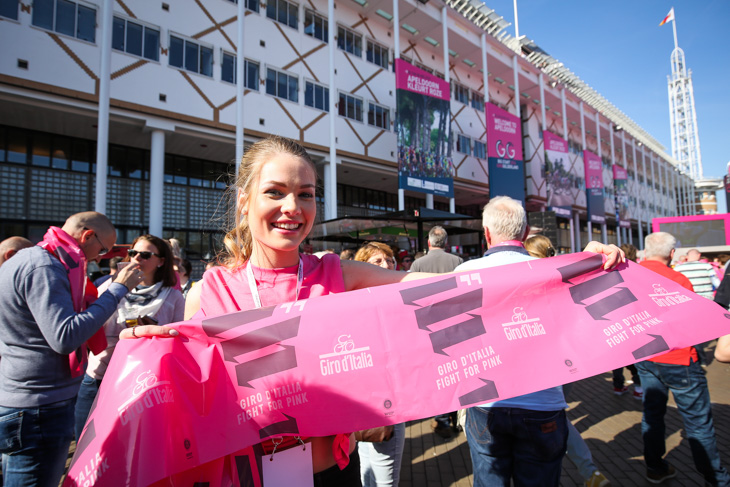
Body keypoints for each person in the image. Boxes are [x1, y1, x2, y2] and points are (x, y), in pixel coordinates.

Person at [121, 136, 624, 484]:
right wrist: (151, 351)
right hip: (247, 474)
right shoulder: (212, 288)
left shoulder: (335, 273)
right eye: (275, 193)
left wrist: (574, 265)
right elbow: (190, 383)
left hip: (333, 475)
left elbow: (455, 283)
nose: (292, 207)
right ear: (245, 201)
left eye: (306, 194)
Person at [0, 212, 143, 487]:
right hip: (40, 407)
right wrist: (118, 289)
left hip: (22, 399)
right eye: (102, 249)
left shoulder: (25, 261)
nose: (100, 257)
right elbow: (65, 336)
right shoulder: (45, 266)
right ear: (87, 235)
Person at [455, 196, 570, 487]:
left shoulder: (463, 274)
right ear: (526, 230)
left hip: (486, 402)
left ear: (487, 234)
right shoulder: (554, 272)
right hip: (542, 402)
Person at [636, 232, 730, 486]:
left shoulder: (629, 276)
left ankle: (654, 467)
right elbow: (690, 321)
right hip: (678, 358)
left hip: (645, 355)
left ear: (645, 251)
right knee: (698, 424)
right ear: (671, 253)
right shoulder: (678, 280)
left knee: (652, 414)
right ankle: (717, 479)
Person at [74, 235, 185, 440]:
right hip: (100, 375)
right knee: (86, 443)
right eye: (133, 253)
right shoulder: (110, 288)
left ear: (161, 261)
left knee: (132, 446)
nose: (137, 259)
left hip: (143, 382)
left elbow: (178, 340)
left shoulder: (173, 296)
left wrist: (155, 331)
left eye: (145, 255)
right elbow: (89, 325)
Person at [527, 234, 611, 487]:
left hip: (544, 365)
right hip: (569, 361)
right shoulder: (562, 281)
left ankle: (583, 470)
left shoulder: (531, 286)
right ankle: (588, 471)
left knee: (547, 419)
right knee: (555, 417)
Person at [353, 242, 405, 487]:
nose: (387, 265)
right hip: (382, 402)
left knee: (371, 469)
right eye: (377, 261)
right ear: (362, 267)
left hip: (373, 401)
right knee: (382, 476)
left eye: (390, 260)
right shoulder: (362, 306)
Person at [409, 226, 463, 439]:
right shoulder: (458, 262)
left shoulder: (418, 264)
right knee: (457, 373)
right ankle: (456, 417)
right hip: (455, 326)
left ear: (429, 243)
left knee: (439, 376)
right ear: (446, 243)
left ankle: (441, 419)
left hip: (429, 328)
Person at [611, 244, 643, 399]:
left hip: (614, 320)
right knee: (636, 358)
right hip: (634, 320)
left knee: (617, 360)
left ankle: (618, 386)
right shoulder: (635, 270)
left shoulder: (609, 269)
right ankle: (639, 388)